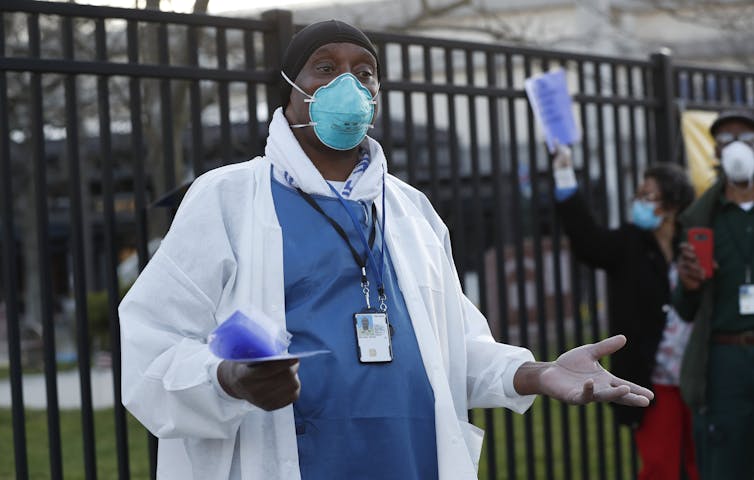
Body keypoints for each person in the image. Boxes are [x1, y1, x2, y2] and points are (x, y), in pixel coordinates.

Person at [118, 20, 653, 480]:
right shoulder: (228, 197)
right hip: (292, 458)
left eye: (365, 72)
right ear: (288, 91)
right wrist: (228, 378)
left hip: (412, 459)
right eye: (325, 68)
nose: (348, 84)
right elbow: (154, 343)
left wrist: (538, 372)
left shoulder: (410, 209)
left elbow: (456, 347)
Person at [551, 146, 698, 480]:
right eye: (638, 195)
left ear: (673, 205)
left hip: (698, 374)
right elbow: (587, 240)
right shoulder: (629, 243)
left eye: (648, 195)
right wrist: (564, 175)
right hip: (654, 378)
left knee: (702, 462)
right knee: (660, 465)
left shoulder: (693, 242)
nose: (639, 202)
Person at [674, 108, 754, 480]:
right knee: (725, 461)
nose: (737, 146)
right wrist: (689, 285)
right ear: (716, 152)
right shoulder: (699, 218)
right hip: (725, 359)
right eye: (725, 139)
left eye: (746, 137)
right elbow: (685, 309)